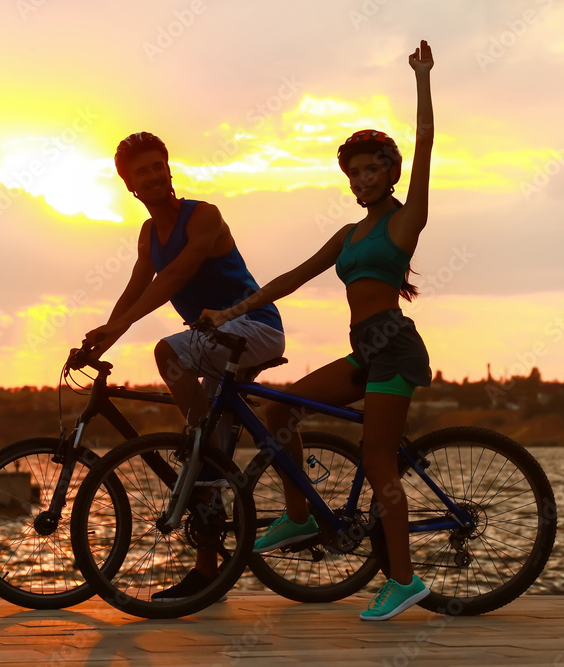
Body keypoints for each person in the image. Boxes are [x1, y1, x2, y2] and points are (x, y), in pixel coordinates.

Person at [202, 40, 435, 621]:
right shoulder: (348, 235)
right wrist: (232, 313)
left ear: (391, 171)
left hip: (394, 347)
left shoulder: (407, 220)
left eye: (373, 167)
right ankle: (300, 517)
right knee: (279, 409)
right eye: (355, 172)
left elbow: (428, 143)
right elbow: (291, 278)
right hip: (365, 349)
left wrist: (423, 79)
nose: (363, 177)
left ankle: (403, 581)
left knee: (377, 458)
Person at [83, 131, 286, 601]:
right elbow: (137, 287)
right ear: (130, 186)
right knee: (205, 463)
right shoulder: (148, 234)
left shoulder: (204, 216)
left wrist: (121, 329)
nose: (154, 176)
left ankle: (200, 443)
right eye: (142, 172)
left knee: (167, 353)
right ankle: (208, 570)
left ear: (169, 169)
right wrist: (102, 334)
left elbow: (176, 275)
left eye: (159, 165)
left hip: (252, 327)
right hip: (215, 342)